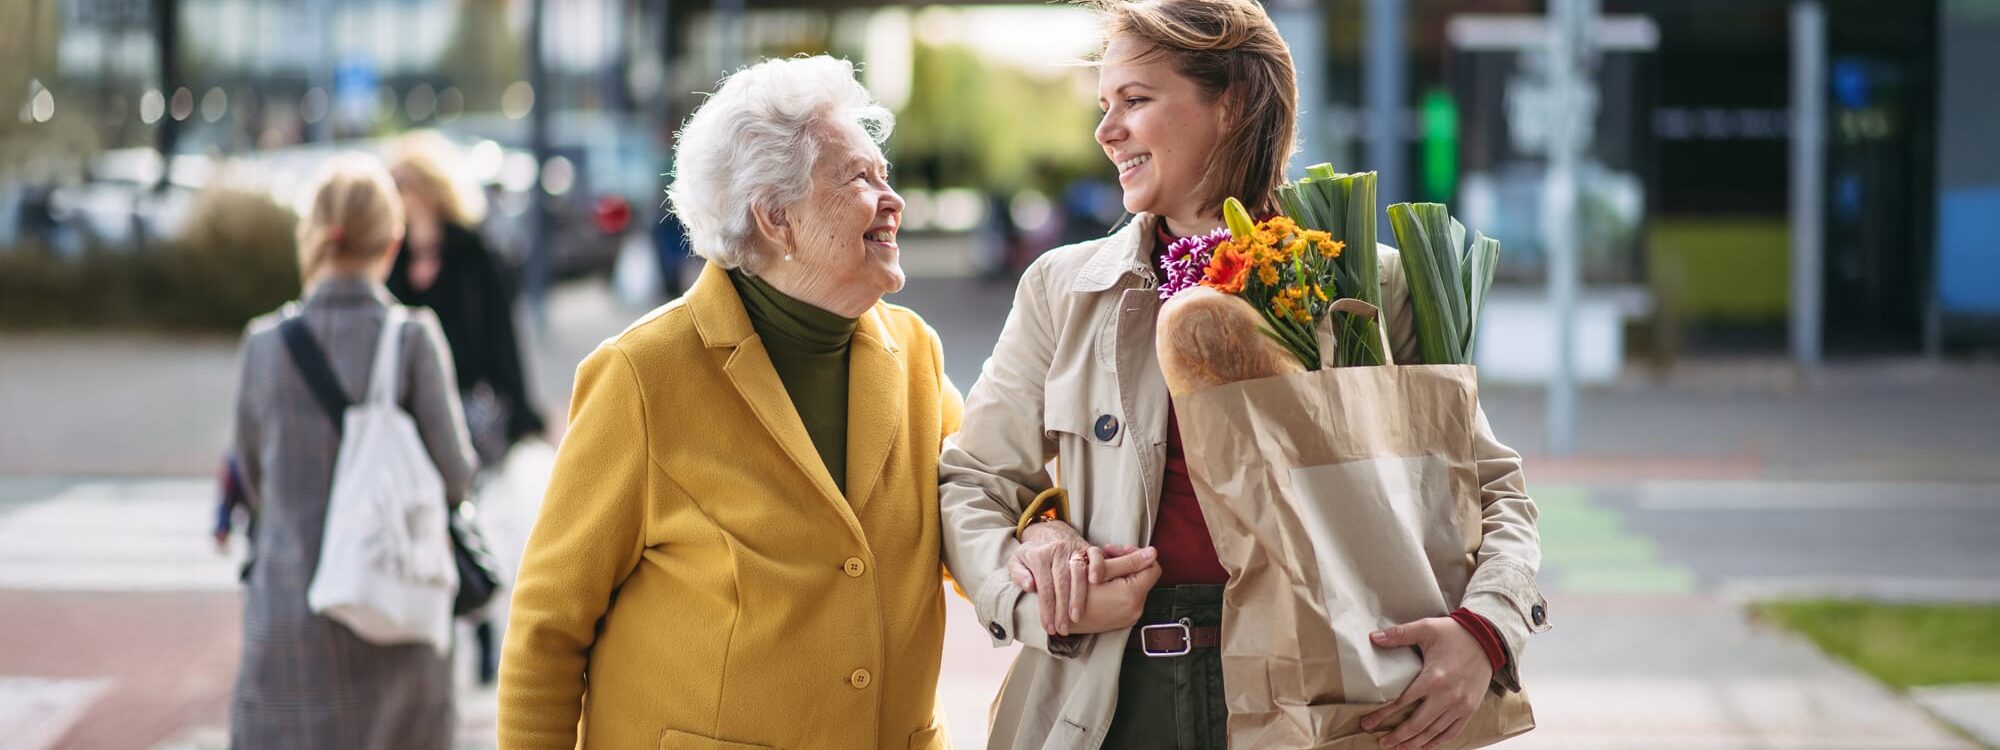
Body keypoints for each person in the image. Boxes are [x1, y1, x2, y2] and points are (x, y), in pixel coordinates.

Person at [937, 1, 1552, 748]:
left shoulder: (1369, 282)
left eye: (1135, 100)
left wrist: (1486, 629)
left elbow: (1491, 488)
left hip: (1327, 699)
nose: (1105, 132)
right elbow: (973, 481)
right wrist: (1040, 579)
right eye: (1105, 106)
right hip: (1108, 703)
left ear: (1230, 105)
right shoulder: (1063, 289)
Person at [498, 56, 978, 749]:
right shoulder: (642, 375)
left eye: (886, 173)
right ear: (776, 218)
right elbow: (547, 630)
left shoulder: (916, 353)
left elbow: (978, 502)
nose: (892, 198)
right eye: (860, 179)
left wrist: (1042, 531)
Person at [228, 154, 475, 749]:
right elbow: (457, 477)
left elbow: (253, 480)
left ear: (312, 239)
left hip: (291, 620)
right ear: (392, 243)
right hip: (395, 612)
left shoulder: (264, 346)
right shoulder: (413, 338)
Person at [386, 132, 546, 471]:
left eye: (402, 183)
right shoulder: (391, 259)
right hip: (411, 407)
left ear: (429, 187)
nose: (395, 194)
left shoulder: (473, 251)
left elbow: (503, 333)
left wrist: (520, 408)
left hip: (471, 402)